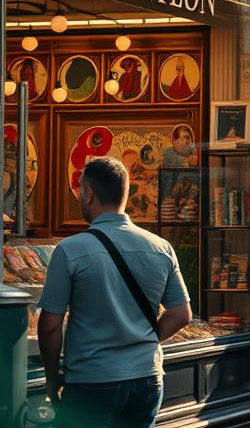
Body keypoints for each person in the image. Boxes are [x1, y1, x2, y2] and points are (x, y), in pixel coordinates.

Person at [37, 157, 192, 427]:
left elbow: (50, 324)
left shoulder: (70, 250)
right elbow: (180, 314)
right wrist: (141, 340)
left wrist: (52, 378)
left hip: (91, 381)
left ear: (89, 192)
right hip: (147, 379)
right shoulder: (161, 247)